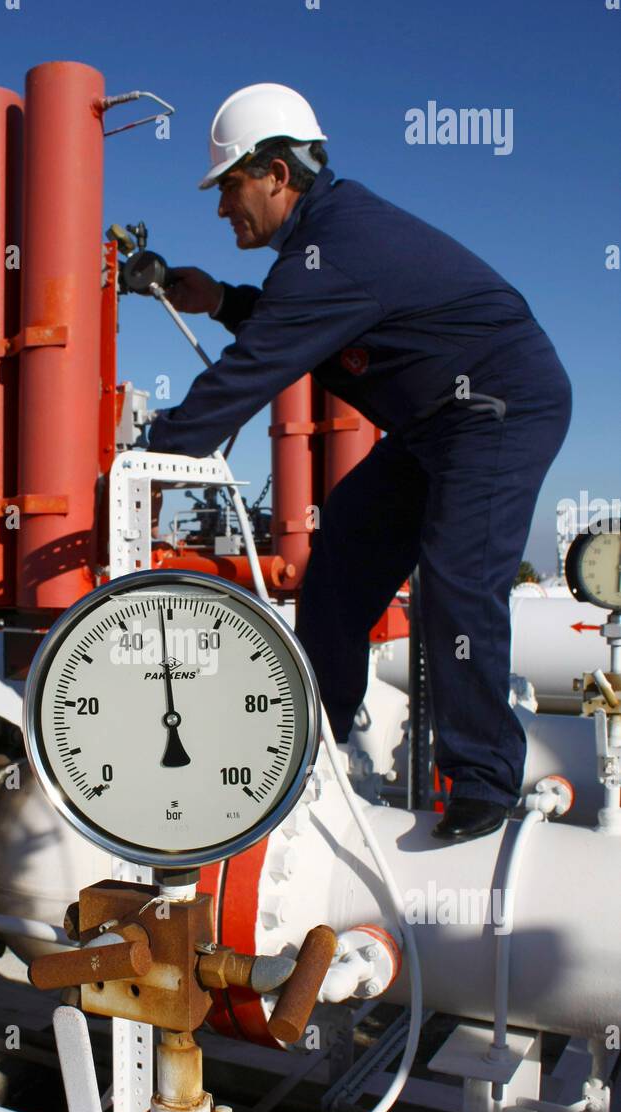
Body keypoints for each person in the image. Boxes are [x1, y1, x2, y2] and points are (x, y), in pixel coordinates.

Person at [146, 82, 572, 842]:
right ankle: (314, 741)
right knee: (343, 542)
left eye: (230, 187)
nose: (221, 209)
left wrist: (148, 457)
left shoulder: (337, 249)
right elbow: (306, 320)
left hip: (499, 408)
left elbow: (252, 370)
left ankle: (483, 781)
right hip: (434, 422)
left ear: (277, 173)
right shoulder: (327, 245)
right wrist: (219, 302)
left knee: (457, 575)